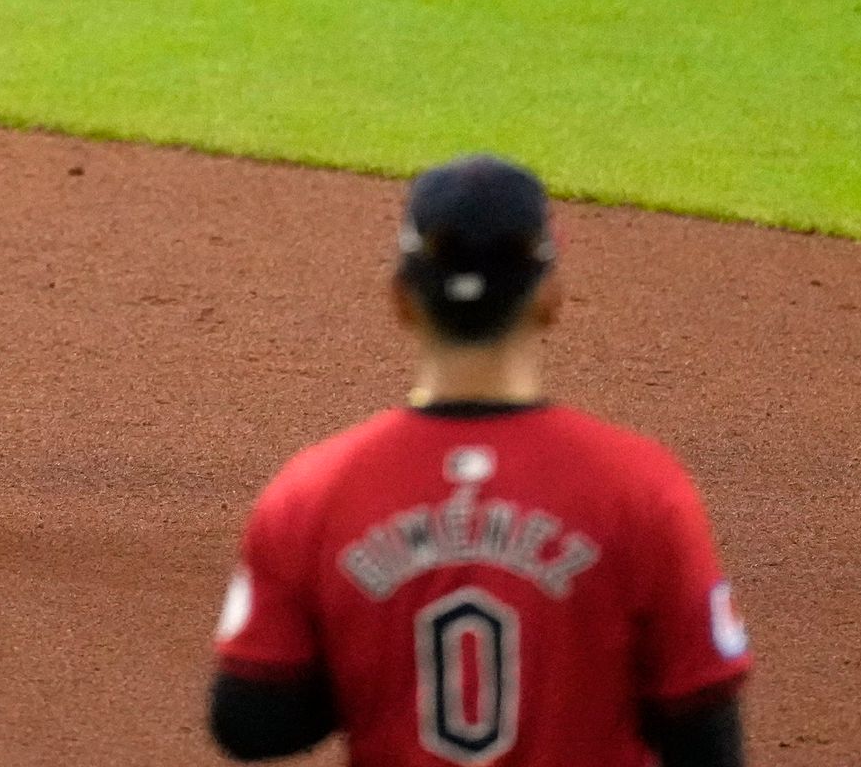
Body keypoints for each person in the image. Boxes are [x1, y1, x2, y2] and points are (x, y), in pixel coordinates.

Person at [208, 157, 753, 767]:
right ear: (550, 294)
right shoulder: (641, 489)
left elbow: (248, 722)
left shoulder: (316, 492)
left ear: (401, 297)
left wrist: (368, 653)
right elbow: (707, 740)